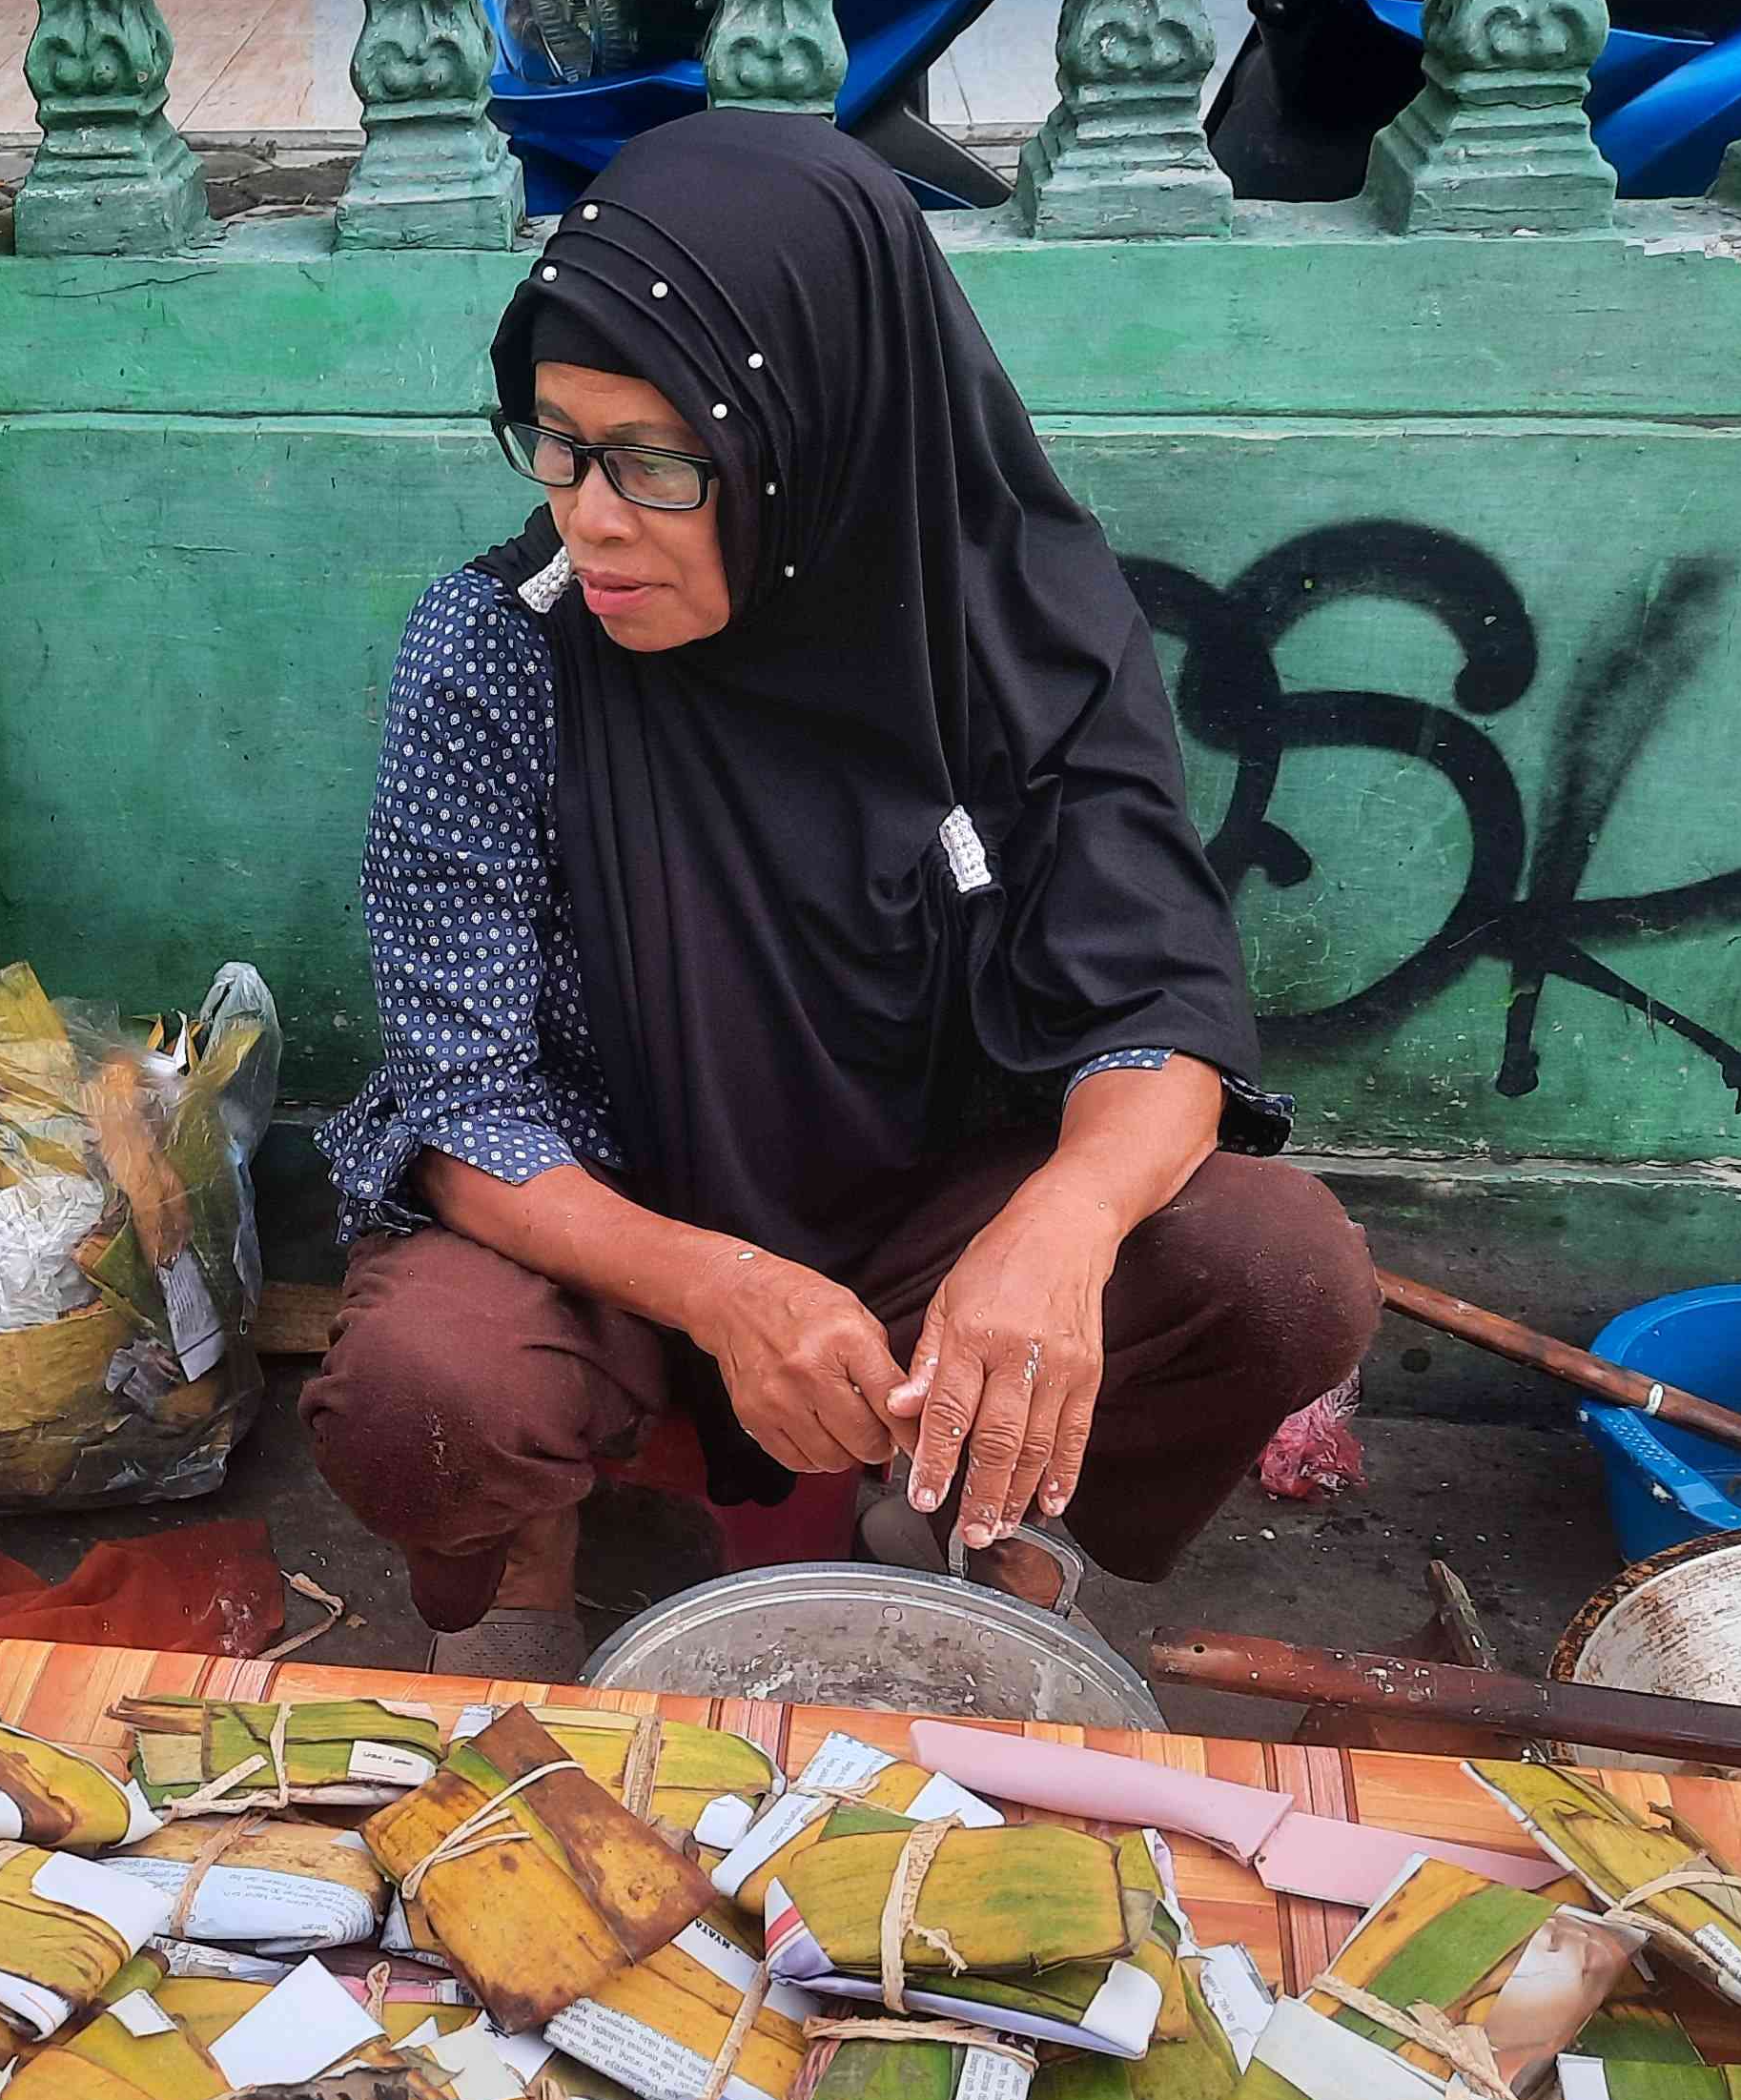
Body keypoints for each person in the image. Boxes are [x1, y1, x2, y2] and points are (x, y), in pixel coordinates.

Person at [303, 112, 1378, 1676]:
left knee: (1276, 1274)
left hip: (923, 1204)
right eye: (556, 444)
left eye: (662, 464)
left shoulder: (1017, 629)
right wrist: (719, 1283)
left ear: (810, 439)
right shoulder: (501, 650)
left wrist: (1062, 1225)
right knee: (424, 1394)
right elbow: (457, 1109)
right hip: (607, 1217)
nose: (588, 516)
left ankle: (978, 1501)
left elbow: (1159, 1000)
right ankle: (525, 1559)